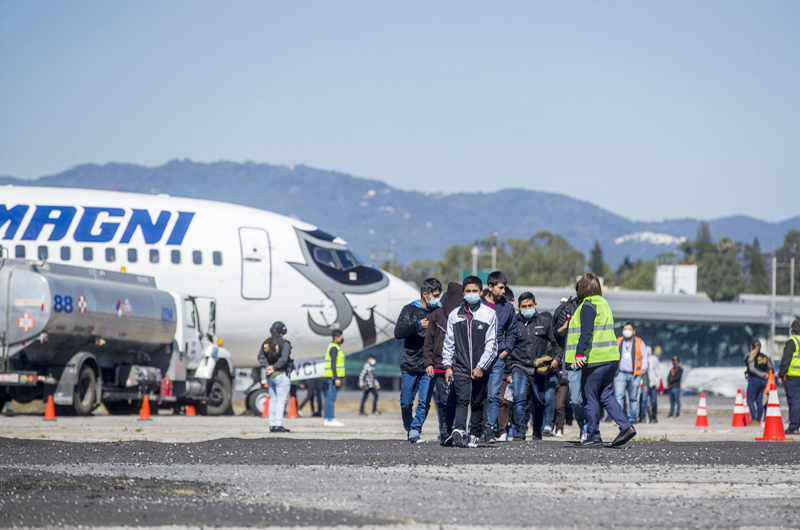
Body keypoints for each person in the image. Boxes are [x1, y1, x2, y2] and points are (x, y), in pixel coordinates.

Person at [567, 272, 636, 447]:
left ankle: (592, 435)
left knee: (590, 395)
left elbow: (586, 332)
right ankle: (626, 426)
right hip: (611, 358)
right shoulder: (604, 304)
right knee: (605, 394)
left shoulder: (587, 306)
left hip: (596, 358)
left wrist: (579, 354)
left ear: (581, 289)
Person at [442, 276, 498, 448]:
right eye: (468, 291)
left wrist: (481, 367)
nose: (471, 294)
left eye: (475, 291)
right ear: (463, 293)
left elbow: (492, 344)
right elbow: (449, 343)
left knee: (478, 401)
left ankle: (475, 434)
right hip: (460, 365)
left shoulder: (489, 314)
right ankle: (459, 430)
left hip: (481, 366)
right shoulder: (454, 315)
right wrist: (447, 366)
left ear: (481, 292)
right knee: (462, 398)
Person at [507, 291, 562, 441]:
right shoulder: (513, 323)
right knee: (518, 397)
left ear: (535, 305)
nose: (527, 308)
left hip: (539, 369)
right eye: (524, 306)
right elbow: (509, 348)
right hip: (519, 366)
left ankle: (537, 430)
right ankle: (520, 431)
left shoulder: (544, 321)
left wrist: (557, 359)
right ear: (519, 307)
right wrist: (508, 371)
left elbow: (556, 344)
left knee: (539, 401)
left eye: (530, 305)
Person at [395, 277, 442, 443]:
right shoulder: (409, 310)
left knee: (424, 402)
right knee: (405, 403)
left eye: (439, 295)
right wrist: (417, 325)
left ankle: (415, 431)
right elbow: (398, 333)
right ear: (425, 294)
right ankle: (409, 427)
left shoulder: (438, 312)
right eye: (434, 295)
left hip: (428, 365)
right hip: (409, 364)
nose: (437, 298)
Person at [423, 281, 463, 445]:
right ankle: (445, 431)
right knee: (443, 400)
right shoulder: (437, 315)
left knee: (459, 399)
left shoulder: (463, 314)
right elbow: (429, 342)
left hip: (460, 366)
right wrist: (428, 362)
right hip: (439, 366)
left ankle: (457, 430)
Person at [481, 271, 518, 444]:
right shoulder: (477, 304)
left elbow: (512, 332)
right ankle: (475, 429)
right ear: (490, 287)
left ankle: (490, 429)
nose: (503, 291)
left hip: (497, 357)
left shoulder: (508, 308)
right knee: (477, 394)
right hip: (478, 356)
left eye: (504, 287)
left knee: (494, 395)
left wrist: (505, 351)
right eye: (500, 287)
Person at [257, 321, 294, 433]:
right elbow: (284, 359)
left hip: (270, 376)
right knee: (281, 400)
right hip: (281, 374)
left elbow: (260, 357)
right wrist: (275, 367)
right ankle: (278, 424)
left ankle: (272, 424)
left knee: (273, 400)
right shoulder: (284, 343)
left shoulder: (266, 343)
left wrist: (267, 367)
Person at [615, 322, 649, 424]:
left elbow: (644, 356)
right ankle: (619, 418)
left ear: (633, 331)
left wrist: (644, 367)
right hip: (620, 373)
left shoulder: (639, 342)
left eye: (629, 329)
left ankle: (633, 418)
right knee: (619, 396)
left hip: (635, 374)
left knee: (633, 397)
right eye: (625, 329)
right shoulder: (619, 341)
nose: (626, 331)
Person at [778, 319, 800, 435]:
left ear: (792, 329)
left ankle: (794, 427)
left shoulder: (792, 341)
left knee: (794, 402)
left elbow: (786, 360)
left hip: (793, 376)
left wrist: (781, 374)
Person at [744, 340, 772, 425]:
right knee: (759, 401)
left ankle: (754, 419)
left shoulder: (752, 356)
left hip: (754, 379)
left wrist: (761, 374)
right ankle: (759, 420)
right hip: (763, 381)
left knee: (750, 400)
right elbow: (770, 366)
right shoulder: (764, 357)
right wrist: (765, 374)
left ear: (752, 347)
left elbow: (752, 369)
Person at [323, 330, 345, 427]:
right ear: (337, 337)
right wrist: (336, 378)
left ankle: (327, 419)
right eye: (341, 336)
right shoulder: (334, 348)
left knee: (328, 397)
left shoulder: (333, 347)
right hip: (333, 377)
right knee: (331, 398)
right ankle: (330, 418)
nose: (342, 338)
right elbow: (333, 364)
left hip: (330, 376)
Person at [641, 346, 661, 423]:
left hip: (653, 383)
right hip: (645, 383)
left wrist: (657, 383)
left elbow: (657, 372)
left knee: (653, 401)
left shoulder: (654, 359)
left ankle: (654, 416)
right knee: (644, 401)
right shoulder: (642, 359)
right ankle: (643, 417)